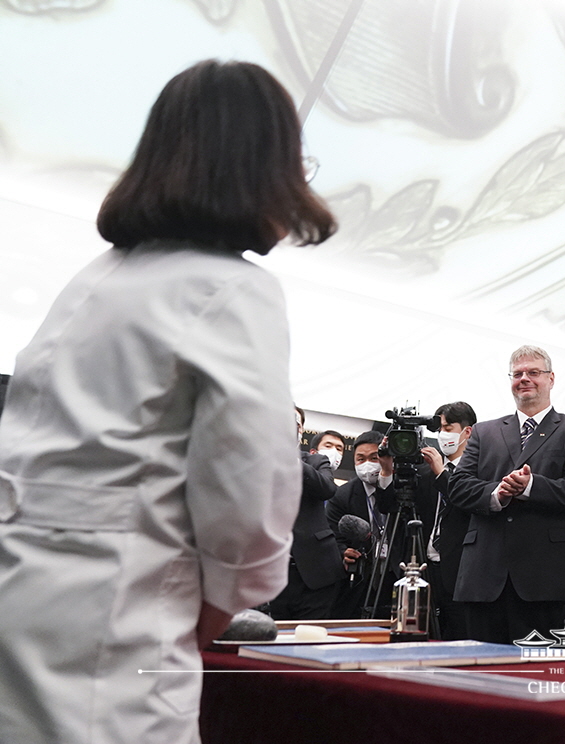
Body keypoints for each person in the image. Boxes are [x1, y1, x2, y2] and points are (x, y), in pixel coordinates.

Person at [0, 59, 335, 744]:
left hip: (20, 593)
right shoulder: (234, 291)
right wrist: (214, 610)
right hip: (120, 616)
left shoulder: (95, 281)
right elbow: (252, 494)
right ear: (265, 167)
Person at [447, 346, 565, 643]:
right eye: (517, 374)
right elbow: (458, 486)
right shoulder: (484, 432)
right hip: (484, 576)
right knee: (482, 674)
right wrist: (497, 493)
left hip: (545, 580)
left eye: (533, 372)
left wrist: (530, 487)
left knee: (536, 678)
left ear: (551, 378)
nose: (524, 378)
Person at [269, 422, 345, 620]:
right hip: (268, 572)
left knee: (312, 638)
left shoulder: (316, 461)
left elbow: (327, 489)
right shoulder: (251, 463)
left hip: (315, 573)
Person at [326, 430, 405, 618]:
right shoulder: (342, 495)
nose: (366, 464)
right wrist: (343, 551)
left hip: (397, 573)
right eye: (360, 459)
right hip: (360, 577)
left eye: (374, 457)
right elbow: (331, 534)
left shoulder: (403, 488)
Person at [418, 401, 476, 640]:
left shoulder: (481, 470)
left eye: (448, 427)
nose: (442, 434)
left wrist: (442, 474)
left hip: (463, 570)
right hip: (427, 569)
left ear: (467, 431)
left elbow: (468, 505)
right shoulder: (425, 473)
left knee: (459, 635)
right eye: (439, 428)